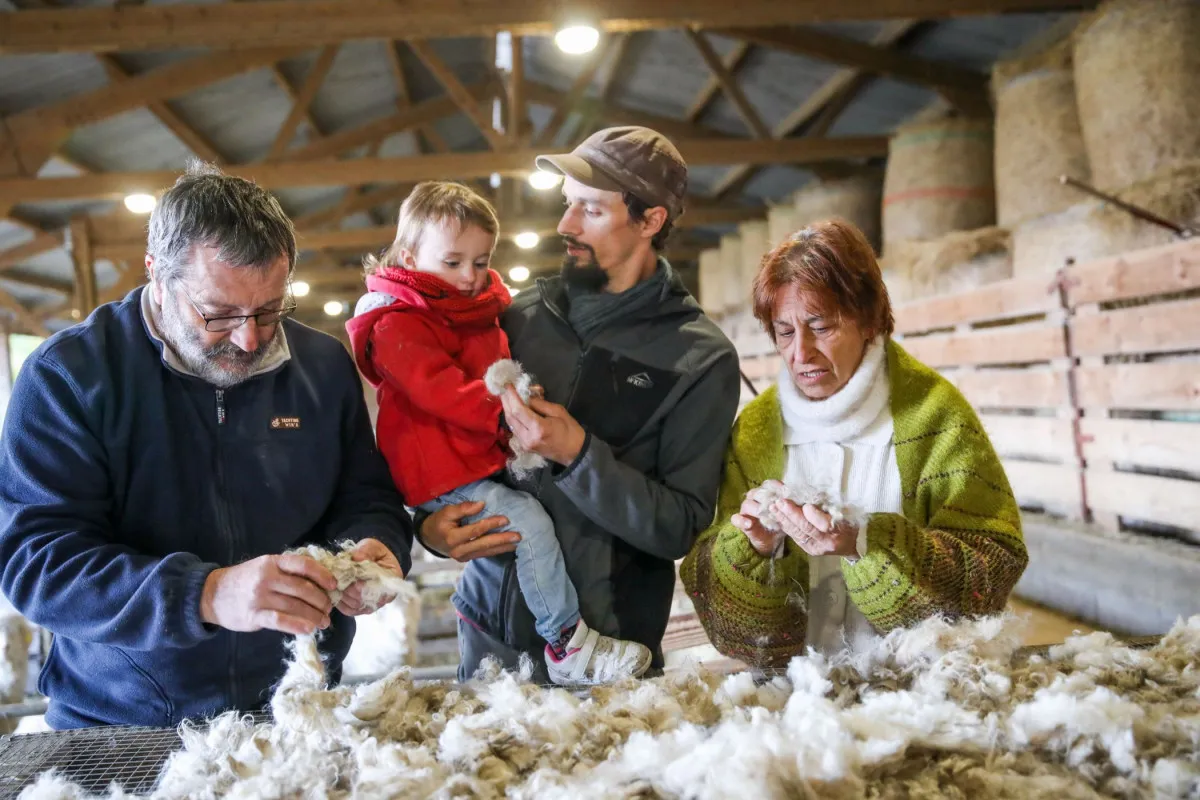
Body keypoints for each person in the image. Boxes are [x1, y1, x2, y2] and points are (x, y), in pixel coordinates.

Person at [0, 163, 414, 728]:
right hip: (125, 718)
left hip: (298, 701)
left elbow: (366, 495)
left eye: (270, 310)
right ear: (156, 275)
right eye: (218, 315)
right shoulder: (70, 376)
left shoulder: (320, 366)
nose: (250, 338)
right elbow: (38, 562)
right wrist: (207, 594)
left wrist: (375, 544)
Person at [416, 126, 743, 682]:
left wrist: (580, 454)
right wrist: (428, 528)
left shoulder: (698, 357)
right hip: (490, 636)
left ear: (651, 220)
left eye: (590, 210)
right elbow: (441, 434)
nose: (565, 225)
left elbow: (680, 526)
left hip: (608, 651)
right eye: (568, 205)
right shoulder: (515, 317)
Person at [680, 219, 1029, 667]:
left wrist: (864, 542)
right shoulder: (755, 431)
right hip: (796, 699)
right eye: (784, 332)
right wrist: (755, 549)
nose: (800, 354)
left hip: (918, 688)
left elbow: (991, 569)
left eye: (821, 326)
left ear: (867, 320)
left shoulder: (934, 417)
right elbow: (717, 603)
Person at [346, 181, 652, 687]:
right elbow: (439, 388)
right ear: (408, 255)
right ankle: (566, 642)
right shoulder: (396, 323)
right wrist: (504, 413)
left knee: (532, 514)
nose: (469, 276)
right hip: (441, 469)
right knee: (528, 520)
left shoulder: (474, 308)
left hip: (471, 456)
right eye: (452, 262)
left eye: (481, 261)